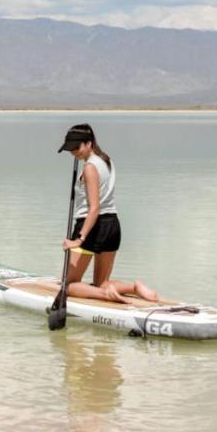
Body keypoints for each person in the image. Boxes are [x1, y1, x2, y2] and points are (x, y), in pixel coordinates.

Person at [57, 123, 158, 304]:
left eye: (76, 147)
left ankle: (107, 295)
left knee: (68, 284)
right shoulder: (106, 160)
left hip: (91, 226)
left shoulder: (89, 168)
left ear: (89, 143)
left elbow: (94, 208)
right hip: (112, 224)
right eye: (70, 149)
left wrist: (78, 239)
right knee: (101, 282)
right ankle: (134, 287)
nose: (73, 153)